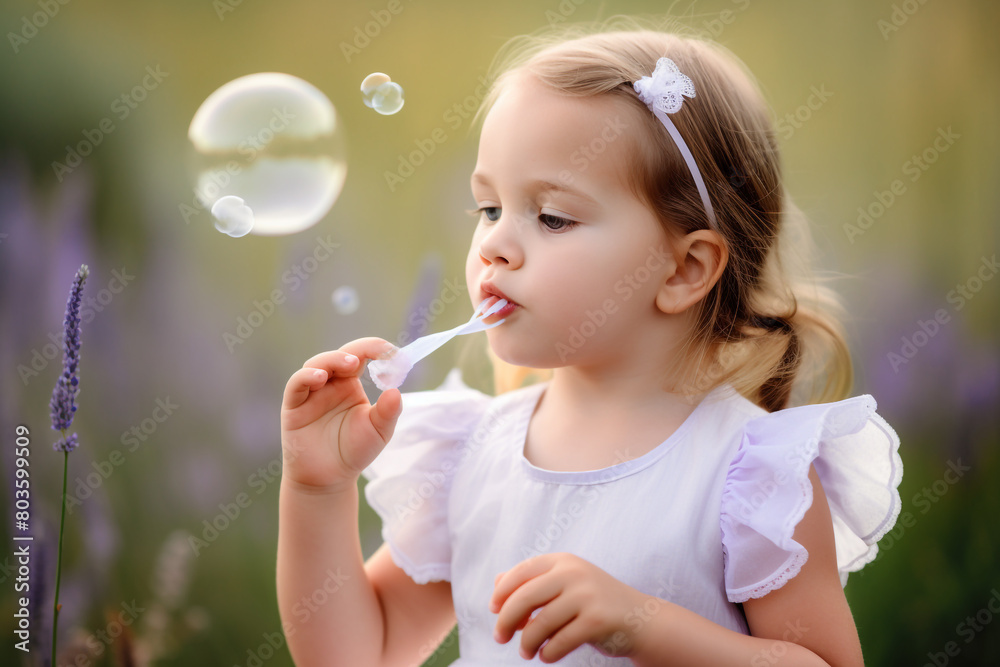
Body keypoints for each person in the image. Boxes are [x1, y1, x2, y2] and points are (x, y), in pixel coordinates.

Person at [277, 18, 903, 666]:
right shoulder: (470, 454)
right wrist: (318, 490)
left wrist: (644, 623)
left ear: (684, 269)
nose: (494, 243)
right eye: (488, 208)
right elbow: (357, 654)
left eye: (551, 216)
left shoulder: (746, 475)